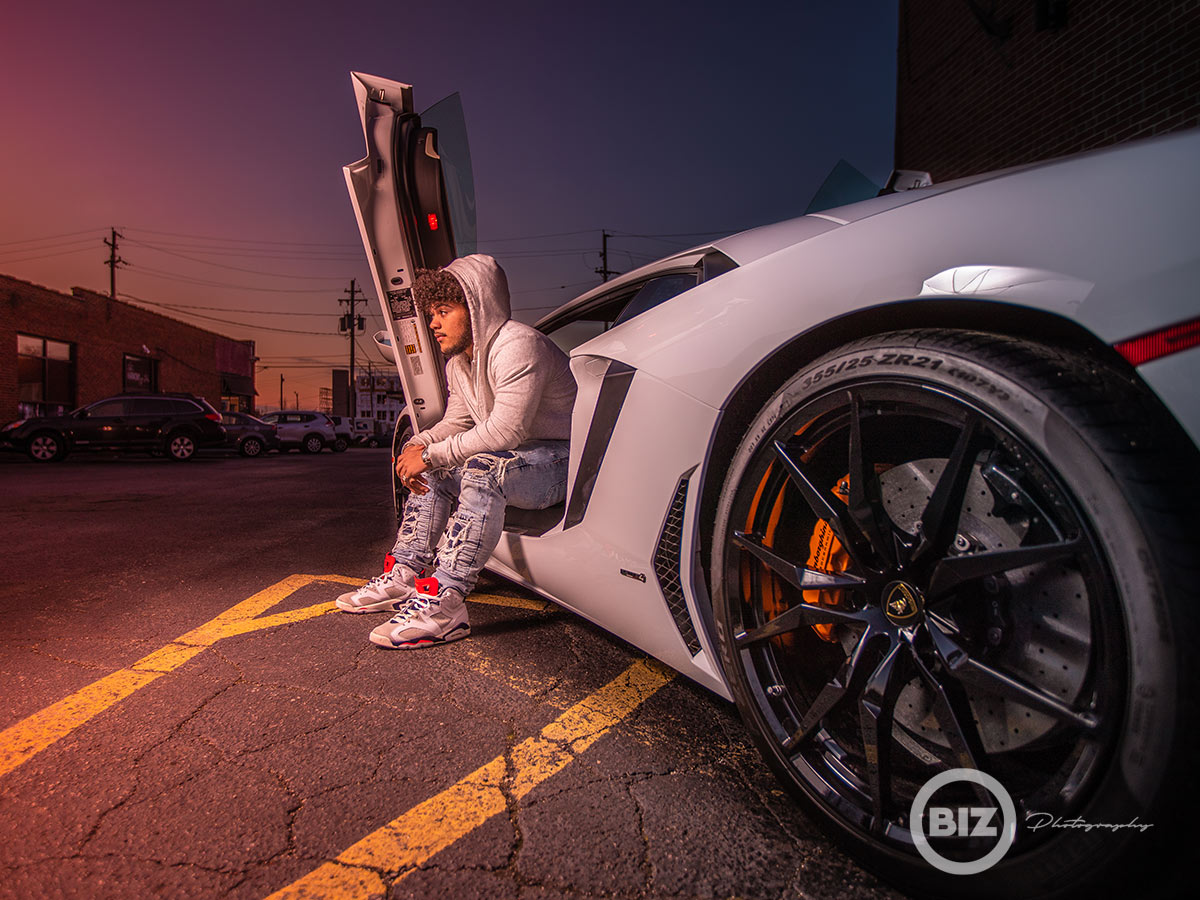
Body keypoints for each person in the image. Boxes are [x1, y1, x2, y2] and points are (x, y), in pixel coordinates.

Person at [336, 254, 577, 649]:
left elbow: (506, 428)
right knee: (438, 472)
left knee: (481, 468)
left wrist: (430, 455)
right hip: (516, 458)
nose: (433, 323)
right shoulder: (458, 365)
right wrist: (421, 444)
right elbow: (458, 424)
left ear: (477, 308)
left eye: (443, 312)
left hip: (560, 461)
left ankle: (444, 604)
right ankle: (405, 574)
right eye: (431, 313)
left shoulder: (518, 345)